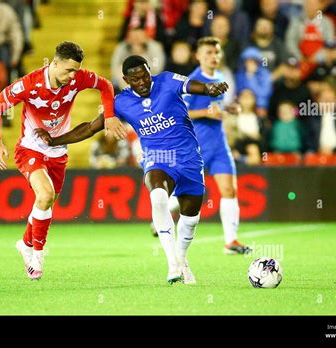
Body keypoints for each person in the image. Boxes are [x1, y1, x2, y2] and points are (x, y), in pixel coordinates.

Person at [34, 55, 229, 285]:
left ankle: (182, 259)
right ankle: (172, 263)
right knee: (158, 197)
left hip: (189, 158)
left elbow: (192, 86)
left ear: (149, 71)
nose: (143, 82)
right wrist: (56, 140)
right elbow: (90, 127)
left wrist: (209, 89)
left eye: (145, 75)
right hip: (157, 158)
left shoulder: (166, 81)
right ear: (126, 80)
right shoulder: (120, 102)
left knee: (191, 218)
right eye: (135, 79)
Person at [0, 41, 125, 281]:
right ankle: (37, 258)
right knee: (45, 195)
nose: (72, 76)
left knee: (46, 202)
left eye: (76, 71)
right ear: (54, 63)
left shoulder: (78, 79)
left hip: (58, 152)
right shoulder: (29, 84)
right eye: (68, 70)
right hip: (30, 148)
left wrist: (109, 115)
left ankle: (26, 244)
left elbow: (104, 85)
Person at [178, 37, 251, 254]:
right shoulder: (192, 82)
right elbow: (181, 113)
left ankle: (231, 242)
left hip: (219, 143)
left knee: (229, 189)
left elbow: (217, 107)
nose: (213, 57)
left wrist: (230, 109)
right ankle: (161, 216)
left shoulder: (220, 77)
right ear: (198, 56)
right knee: (189, 194)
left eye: (216, 52)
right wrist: (205, 113)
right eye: (208, 53)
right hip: (197, 145)